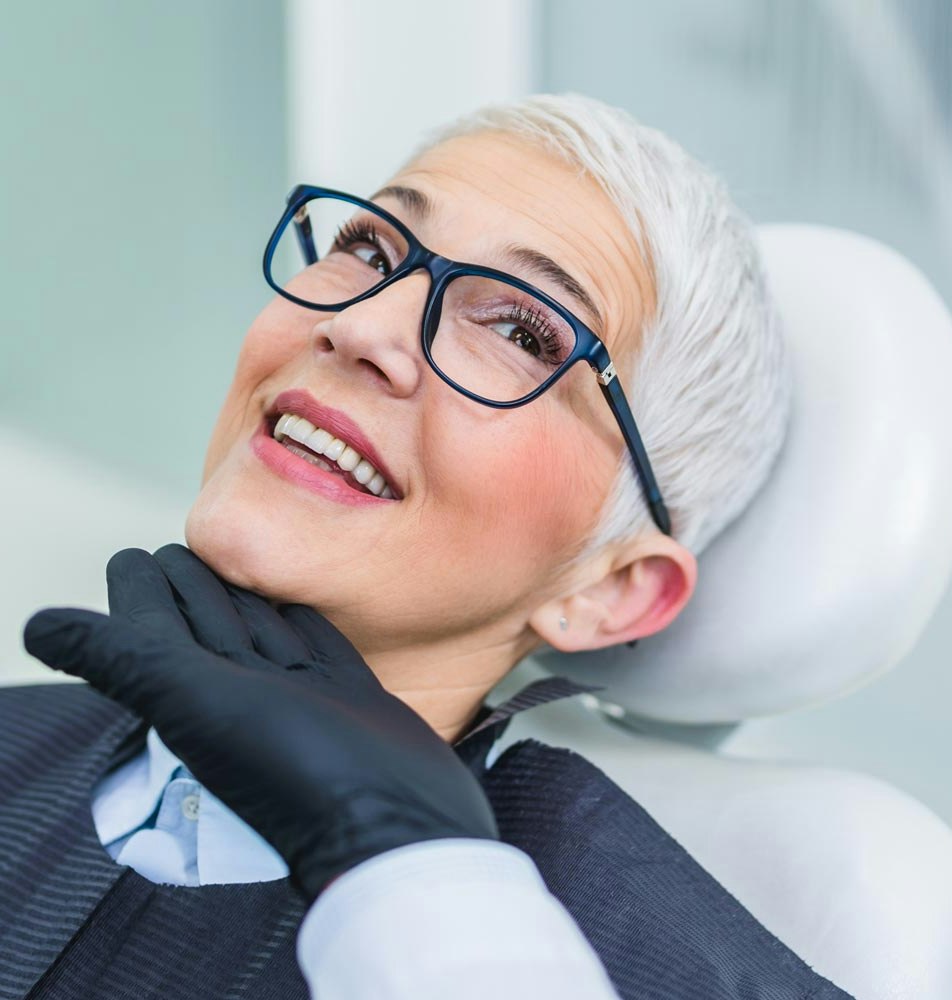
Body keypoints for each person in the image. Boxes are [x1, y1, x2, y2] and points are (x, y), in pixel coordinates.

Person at [3, 93, 852, 999]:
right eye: (367, 249)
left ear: (614, 591)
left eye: (522, 331)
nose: (363, 325)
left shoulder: (671, 968)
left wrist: (408, 872)